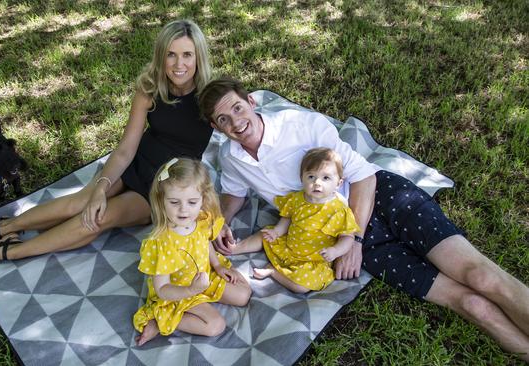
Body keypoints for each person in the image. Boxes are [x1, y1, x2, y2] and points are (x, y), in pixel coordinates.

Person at [198, 77, 529, 361]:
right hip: (342, 236)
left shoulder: (301, 125)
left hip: (379, 199)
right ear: (216, 127)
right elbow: (234, 194)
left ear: (251, 101)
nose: (236, 122)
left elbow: (364, 177)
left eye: (238, 108)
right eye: (223, 119)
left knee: (481, 278)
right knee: (471, 304)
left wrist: (353, 240)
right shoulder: (231, 158)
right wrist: (220, 221)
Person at [0, 19, 215, 269]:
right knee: (81, 202)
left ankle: (5, 252)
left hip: (167, 185)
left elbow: (244, 128)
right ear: (161, 56)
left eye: (187, 55)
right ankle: (5, 227)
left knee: (97, 219)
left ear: (198, 57)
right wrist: (101, 187)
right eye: (171, 54)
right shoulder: (149, 89)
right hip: (137, 161)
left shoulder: (209, 97)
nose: (179, 64)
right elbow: (126, 149)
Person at [133, 158, 251, 346]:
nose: (183, 210)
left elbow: (204, 243)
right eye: (174, 202)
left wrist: (218, 265)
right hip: (177, 291)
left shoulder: (201, 219)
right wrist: (191, 290)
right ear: (160, 200)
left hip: (203, 276)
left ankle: (201, 296)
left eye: (192, 202)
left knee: (243, 295)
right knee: (215, 326)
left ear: (203, 199)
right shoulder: (162, 243)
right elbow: (162, 290)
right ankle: (161, 320)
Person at [232, 148, 360, 293]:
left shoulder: (338, 210)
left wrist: (335, 251)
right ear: (302, 178)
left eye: (326, 178)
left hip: (313, 260)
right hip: (288, 246)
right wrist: (277, 232)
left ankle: (274, 272)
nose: (317, 183)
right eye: (311, 177)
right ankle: (235, 248)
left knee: (302, 287)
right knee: (265, 233)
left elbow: (347, 237)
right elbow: (287, 218)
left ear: (338, 183)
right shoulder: (297, 198)